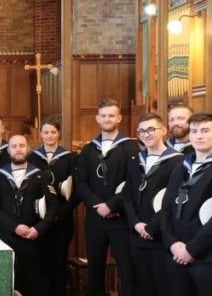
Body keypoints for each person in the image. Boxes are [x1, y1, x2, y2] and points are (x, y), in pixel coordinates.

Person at [160, 113, 212, 296]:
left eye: (205, 130)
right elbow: (165, 210)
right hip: (175, 255)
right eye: (194, 131)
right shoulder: (180, 166)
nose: (199, 136)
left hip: (207, 259)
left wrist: (190, 250)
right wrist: (173, 244)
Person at [75, 98, 137, 296]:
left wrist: (111, 206)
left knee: (127, 270)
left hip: (121, 219)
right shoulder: (88, 149)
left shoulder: (130, 147)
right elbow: (81, 182)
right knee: (95, 270)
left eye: (111, 115)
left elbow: (132, 182)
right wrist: (97, 205)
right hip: (95, 219)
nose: (107, 119)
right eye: (103, 116)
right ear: (97, 118)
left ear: (119, 118)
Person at [0, 135, 57, 296]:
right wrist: (15, 227)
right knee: (4, 281)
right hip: (5, 236)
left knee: (33, 283)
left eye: (22, 146)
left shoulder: (40, 175)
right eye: (14, 146)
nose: (18, 149)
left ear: (28, 149)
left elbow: (53, 206)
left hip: (32, 237)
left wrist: (38, 229)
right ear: (8, 150)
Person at [122, 113, 183, 296]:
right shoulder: (135, 161)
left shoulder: (177, 161)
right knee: (140, 286)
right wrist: (136, 223)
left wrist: (151, 227)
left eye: (151, 129)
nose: (146, 134)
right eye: (141, 131)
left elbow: (173, 200)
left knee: (162, 287)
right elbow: (127, 195)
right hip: (137, 235)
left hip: (161, 235)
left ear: (164, 130)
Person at [26, 118, 77, 296]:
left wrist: (62, 211)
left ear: (58, 134)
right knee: (41, 260)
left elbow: (77, 189)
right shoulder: (32, 157)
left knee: (59, 261)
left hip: (61, 219)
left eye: (53, 132)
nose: (49, 135)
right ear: (40, 134)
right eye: (46, 132)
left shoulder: (69, 158)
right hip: (39, 219)